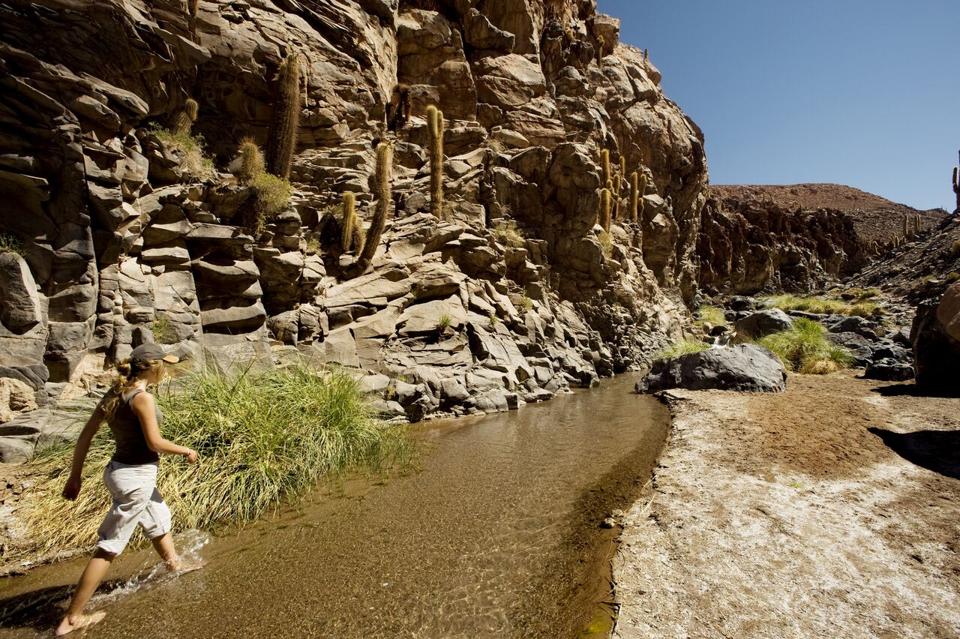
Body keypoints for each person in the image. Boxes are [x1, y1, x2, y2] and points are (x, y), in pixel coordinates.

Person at [55, 344, 199, 636]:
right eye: (164, 365)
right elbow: (155, 443)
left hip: (119, 471)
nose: (167, 370)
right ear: (153, 367)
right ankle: (72, 618)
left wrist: (75, 476)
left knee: (157, 516)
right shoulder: (142, 398)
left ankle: (174, 564)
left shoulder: (115, 393)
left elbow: (85, 436)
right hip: (136, 477)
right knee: (110, 544)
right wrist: (186, 450)